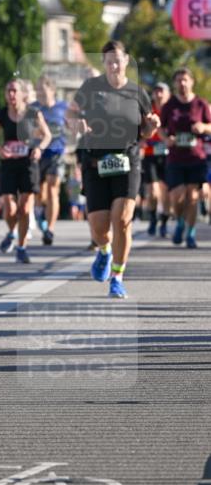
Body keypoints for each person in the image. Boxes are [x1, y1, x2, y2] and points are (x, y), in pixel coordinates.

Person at [68, 40, 159, 299]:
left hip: (127, 160)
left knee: (122, 218)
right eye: (109, 61)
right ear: (104, 63)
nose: (114, 65)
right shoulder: (91, 87)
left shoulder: (137, 93)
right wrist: (77, 123)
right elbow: (71, 113)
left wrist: (151, 126)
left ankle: (117, 276)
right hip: (95, 161)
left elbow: (146, 130)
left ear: (126, 61)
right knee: (99, 226)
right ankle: (104, 251)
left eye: (118, 60)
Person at [0, 79, 50, 264]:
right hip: (9, 165)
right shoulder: (2, 114)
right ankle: (12, 232)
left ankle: (21, 247)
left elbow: (47, 135)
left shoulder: (33, 113)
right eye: (8, 91)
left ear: (22, 94)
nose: (11, 95)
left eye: (14, 91)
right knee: (10, 208)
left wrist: (40, 149)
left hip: (28, 164)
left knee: (24, 208)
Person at [158, 67, 211, 249]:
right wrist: (167, 139)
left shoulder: (200, 104)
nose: (182, 83)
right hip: (175, 158)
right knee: (177, 197)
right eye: (178, 80)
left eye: (185, 80)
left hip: (196, 158)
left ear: (191, 82)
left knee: (193, 197)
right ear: (174, 84)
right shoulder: (169, 105)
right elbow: (160, 127)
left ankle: (190, 232)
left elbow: (210, 126)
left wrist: (203, 127)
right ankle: (180, 221)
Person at [34, 75, 68, 246]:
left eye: (42, 89)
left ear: (52, 90)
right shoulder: (34, 109)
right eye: (37, 90)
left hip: (57, 153)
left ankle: (50, 230)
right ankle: (40, 214)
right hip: (39, 154)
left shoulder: (63, 107)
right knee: (40, 192)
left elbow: (73, 126)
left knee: (53, 189)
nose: (39, 93)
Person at [140, 82, 170, 237]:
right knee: (152, 192)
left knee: (166, 192)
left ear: (168, 94)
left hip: (168, 155)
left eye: (162, 91)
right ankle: (153, 218)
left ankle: (164, 221)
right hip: (150, 153)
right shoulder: (148, 109)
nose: (158, 94)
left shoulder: (172, 109)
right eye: (156, 91)